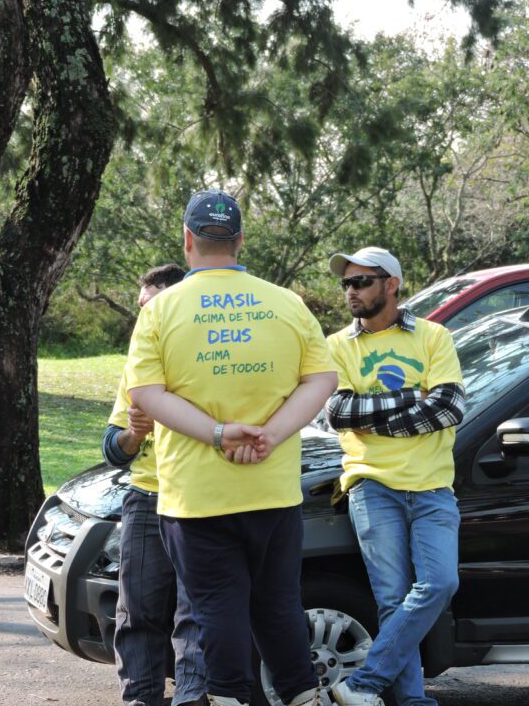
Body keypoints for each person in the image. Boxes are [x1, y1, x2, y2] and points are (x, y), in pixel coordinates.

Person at [126, 190, 337, 706]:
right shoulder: (287, 303)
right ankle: (303, 697)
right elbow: (322, 379)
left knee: (215, 609)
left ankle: (228, 698)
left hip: (197, 496)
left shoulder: (160, 311)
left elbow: (146, 395)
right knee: (280, 607)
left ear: (188, 240)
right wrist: (272, 433)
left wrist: (219, 434)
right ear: (240, 240)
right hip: (273, 490)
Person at [323, 247, 465, 706]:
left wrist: (375, 417)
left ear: (391, 284)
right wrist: (411, 397)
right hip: (372, 485)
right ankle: (413, 701)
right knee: (392, 600)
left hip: (432, 487)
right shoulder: (337, 346)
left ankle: (365, 682)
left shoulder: (433, 336)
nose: (351, 291)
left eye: (361, 281)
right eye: (346, 283)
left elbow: (449, 407)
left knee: (440, 584)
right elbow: (340, 413)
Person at [102, 263, 207, 706]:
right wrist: (134, 434)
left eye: (153, 306)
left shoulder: (208, 361)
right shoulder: (140, 362)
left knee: (195, 614)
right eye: (140, 307)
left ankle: (192, 697)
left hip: (202, 500)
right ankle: (140, 699)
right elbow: (112, 449)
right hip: (146, 498)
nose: (144, 316)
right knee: (138, 612)